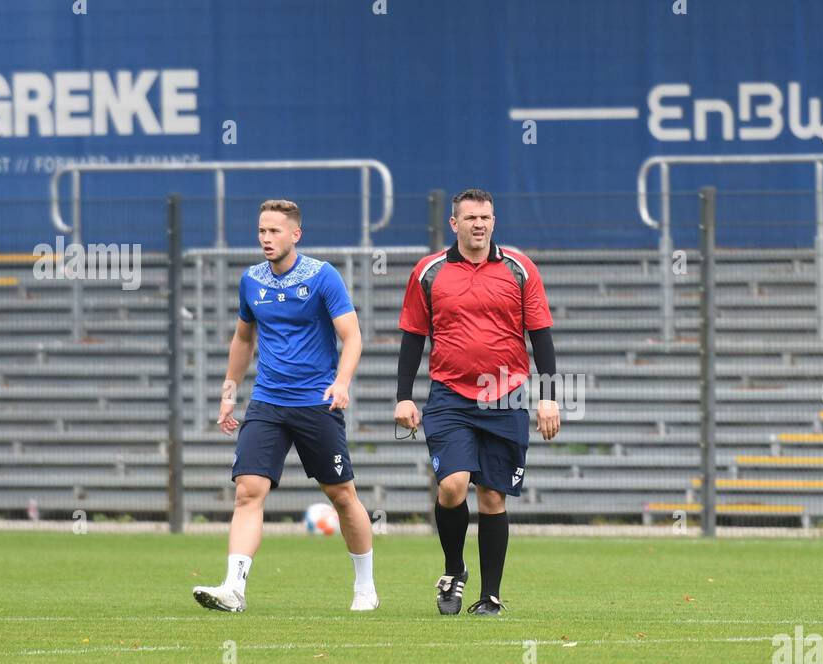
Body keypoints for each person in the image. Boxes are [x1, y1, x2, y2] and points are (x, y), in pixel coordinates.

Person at [193, 199, 377, 612]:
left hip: (316, 403)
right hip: (268, 403)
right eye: (261, 230)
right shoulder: (251, 281)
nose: (265, 238)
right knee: (247, 491)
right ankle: (233, 589)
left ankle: (365, 587)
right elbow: (244, 338)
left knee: (342, 496)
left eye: (274, 231)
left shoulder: (322, 276)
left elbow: (352, 337)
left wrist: (342, 382)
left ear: (296, 234)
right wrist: (229, 390)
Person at [394, 188, 560, 615]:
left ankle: (491, 596)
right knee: (452, 486)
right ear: (454, 223)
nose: (479, 224)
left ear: (493, 220)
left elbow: (540, 336)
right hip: (449, 395)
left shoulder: (520, 268)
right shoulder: (428, 271)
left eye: (485, 217)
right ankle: (453, 569)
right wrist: (403, 398)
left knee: (492, 495)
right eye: (470, 218)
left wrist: (549, 398)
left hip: (504, 395)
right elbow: (413, 337)